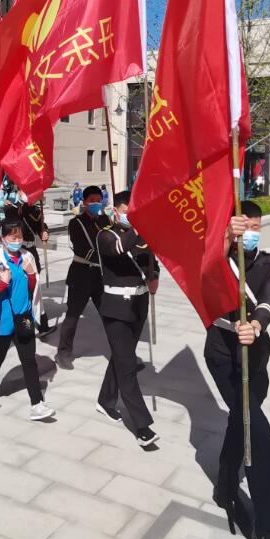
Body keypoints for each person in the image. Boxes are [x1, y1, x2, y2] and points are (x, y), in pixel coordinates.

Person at [208, 201, 270, 539]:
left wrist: (255, 325)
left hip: (255, 355)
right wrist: (225, 238)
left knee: (238, 423)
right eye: (246, 225)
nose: (252, 231)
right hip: (223, 354)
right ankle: (267, 528)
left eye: (257, 225)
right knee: (260, 434)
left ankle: (225, 488)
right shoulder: (219, 259)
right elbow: (206, 271)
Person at [96, 190, 160, 449]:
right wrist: (139, 225)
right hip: (116, 307)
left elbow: (151, 260)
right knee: (127, 365)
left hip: (139, 303)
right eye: (127, 210)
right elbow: (119, 250)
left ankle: (104, 401)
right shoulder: (106, 235)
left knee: (122, 356)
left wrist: (154, 276)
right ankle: (142, 425)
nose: (130, 215)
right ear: (117, 210)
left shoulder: (144, 235)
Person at [0, 218, 55, 421]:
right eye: (13, 236)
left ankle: (36, 404)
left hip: (24, 318)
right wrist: (2, 284)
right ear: (3, 239)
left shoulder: (28, 257)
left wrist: (31, 276)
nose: (17, 240)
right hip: (2, 321)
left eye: (19, 236)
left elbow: (33, 290)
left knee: (29, 361)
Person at [55, 185, 107, 370]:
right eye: (91, 200)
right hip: (81, 274)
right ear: (84, 202)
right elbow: (82, 250)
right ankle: (63, 353)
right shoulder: (76, 223)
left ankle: (122, 354)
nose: (95, 203)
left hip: (99, 277)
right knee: (72, 317)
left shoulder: (105, 220)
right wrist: (107, 255)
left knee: (109, 316)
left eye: (98, 200)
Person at [14, 197, 53, 336]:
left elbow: (39, 227)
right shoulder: (12, 209)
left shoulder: (36, 210)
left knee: (34, 288)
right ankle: (28, 324)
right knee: (23, 291)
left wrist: (44, 232)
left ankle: (41, 325)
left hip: (31, 252)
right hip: (18, 252)